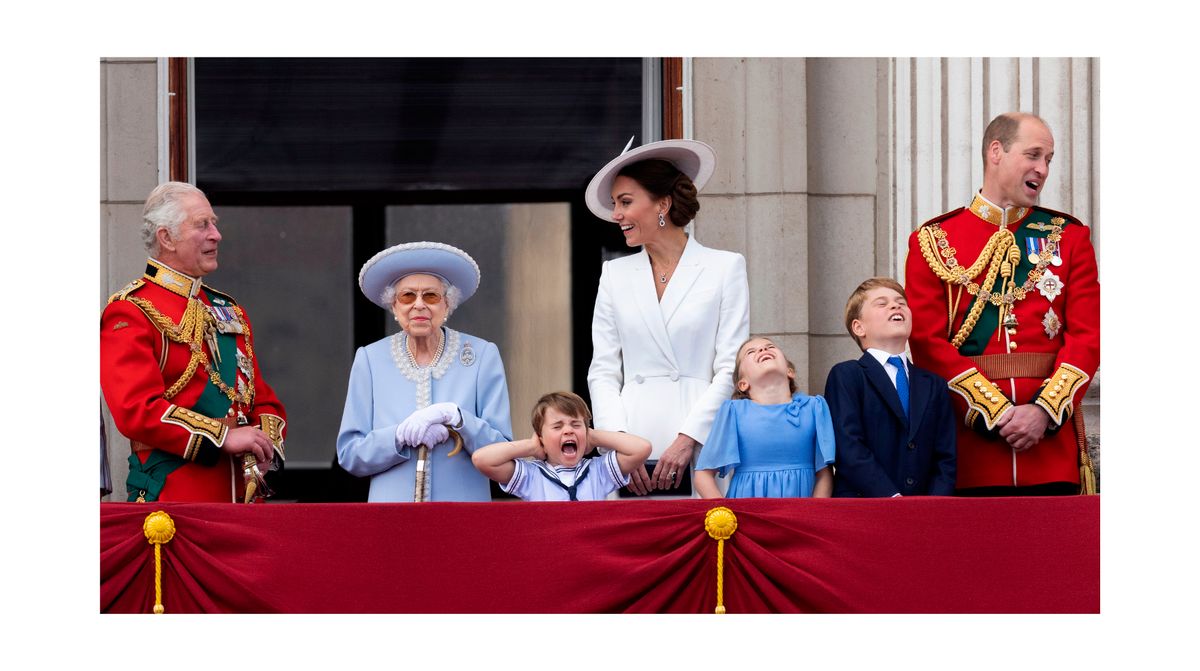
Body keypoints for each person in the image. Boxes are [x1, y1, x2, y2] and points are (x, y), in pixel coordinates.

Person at [904, 112, 1100, 496]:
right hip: (970, 452)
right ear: (996, 151)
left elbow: (1087, 337)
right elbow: (926, 342)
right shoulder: (934, 239)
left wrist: (1043, 412)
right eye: (1033, 155)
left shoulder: (1069, 237)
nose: (1042, 169)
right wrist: (995, 412)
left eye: (1049, 159)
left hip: (1051, 451)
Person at [100, 182, 286, 503]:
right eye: (202, 225)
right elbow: (136, 411)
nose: (216, 234)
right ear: (166, 238)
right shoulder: (130, 310)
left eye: (214, 223)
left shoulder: (228, 309)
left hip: (243, 498)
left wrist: (263, 445)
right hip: (176, 499)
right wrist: (223, 436)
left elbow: (263, 401)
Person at [585, 139, 750, 497]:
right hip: (631, 439)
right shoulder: (614, 274)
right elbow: (603, 370)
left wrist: (689, 437)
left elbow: (729, 367)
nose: (616, 215)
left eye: (625, 202)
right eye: (615, 204)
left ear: (663, 203)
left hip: (702, 438)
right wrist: (619, 446)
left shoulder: (725, 267)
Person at [336, 241, 513, 502]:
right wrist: (397, 436)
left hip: (464, 517)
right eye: (407, 296)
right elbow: (350, 455)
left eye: (431, 296)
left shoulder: (481, 356)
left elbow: (502, 452)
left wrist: (459, 419)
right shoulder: (370, 359)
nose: (419, 305)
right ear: (394, 307)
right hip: (391, 518)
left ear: (447, 306)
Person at [824, 278, 956, 497]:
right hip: (865, 507)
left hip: (923, 513)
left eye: (901, 302)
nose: (896, 306)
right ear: (859, 327)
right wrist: (892, 498)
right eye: (882, 303)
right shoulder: (848, 375)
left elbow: (945, 457)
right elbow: (849, 447)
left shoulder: (934, 384)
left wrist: (934, 506)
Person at [694, 337, 835, 499]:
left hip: (800, 513)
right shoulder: (733, 412)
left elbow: (824, 474)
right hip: (747, 513)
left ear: (790, 371)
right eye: (751, 352)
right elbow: (703, 475)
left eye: (769, 347)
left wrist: (813, 516)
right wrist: (725, 515)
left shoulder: (814, 407)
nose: (762, 350)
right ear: (743, 383)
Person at [472, 391, 651, 501]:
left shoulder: (598, 471)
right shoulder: (531, 476)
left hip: (589, 554)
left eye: (576, 425)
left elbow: (641, 448)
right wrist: (531, 446)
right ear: (541, 437)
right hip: (550, 555)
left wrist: (593, 436)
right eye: (557, 426)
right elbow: (482, 460)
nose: (568, 431)